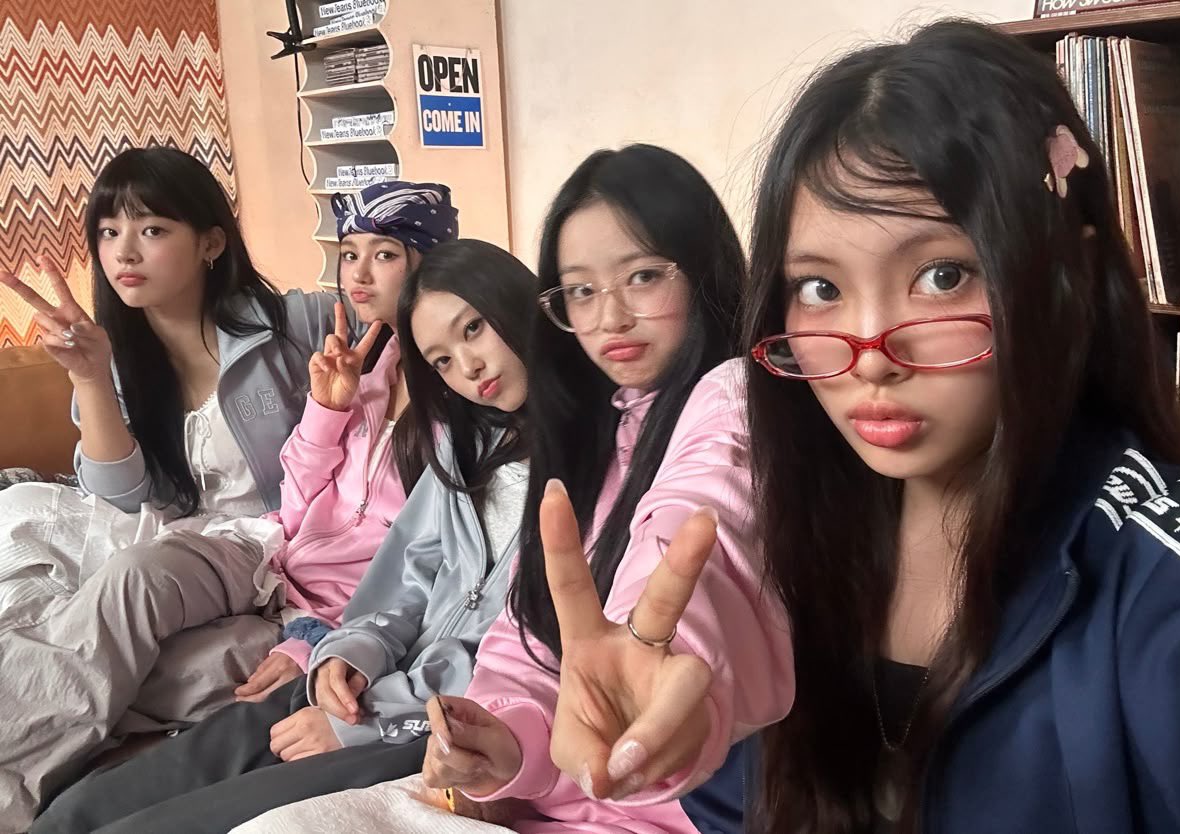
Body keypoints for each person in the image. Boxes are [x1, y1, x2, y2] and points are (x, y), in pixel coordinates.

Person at [538, 20, 1180, 834]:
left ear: (1070, 272)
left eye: (942, 275)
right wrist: (677, 725)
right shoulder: (790, 530)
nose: (871, 355)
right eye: (820, 289)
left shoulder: (1159, 584)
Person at [34, 239, 534, 834]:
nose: (468, 366)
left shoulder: (534, 455)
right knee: (86, 805)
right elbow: (393, 562)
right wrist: (348, 652)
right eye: (442, 359)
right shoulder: (442, 422)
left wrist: (339, 671)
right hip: (313, 605)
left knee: (166, 770)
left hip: (415, 713)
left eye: (474, 329)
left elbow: (512, 652)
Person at [415, 144, 793, 834]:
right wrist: (498, 740)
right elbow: (533, 628)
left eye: (642, 276)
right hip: (550, 803)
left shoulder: (740, 398)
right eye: (582, 292)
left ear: (703, 267)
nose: (609, 318)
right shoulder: (584, 435)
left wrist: (660, 653)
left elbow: (696, 532)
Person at [0, 147, 341, 613]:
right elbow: (117, 503)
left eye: (152, 230)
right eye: (109, 232)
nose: (124, 252)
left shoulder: (294, 324)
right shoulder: (110, 357)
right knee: (17, 512)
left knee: (134, 580)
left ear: (211, 244)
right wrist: (91, 377)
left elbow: (402, 321)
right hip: (169, 548)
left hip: (269, 553)